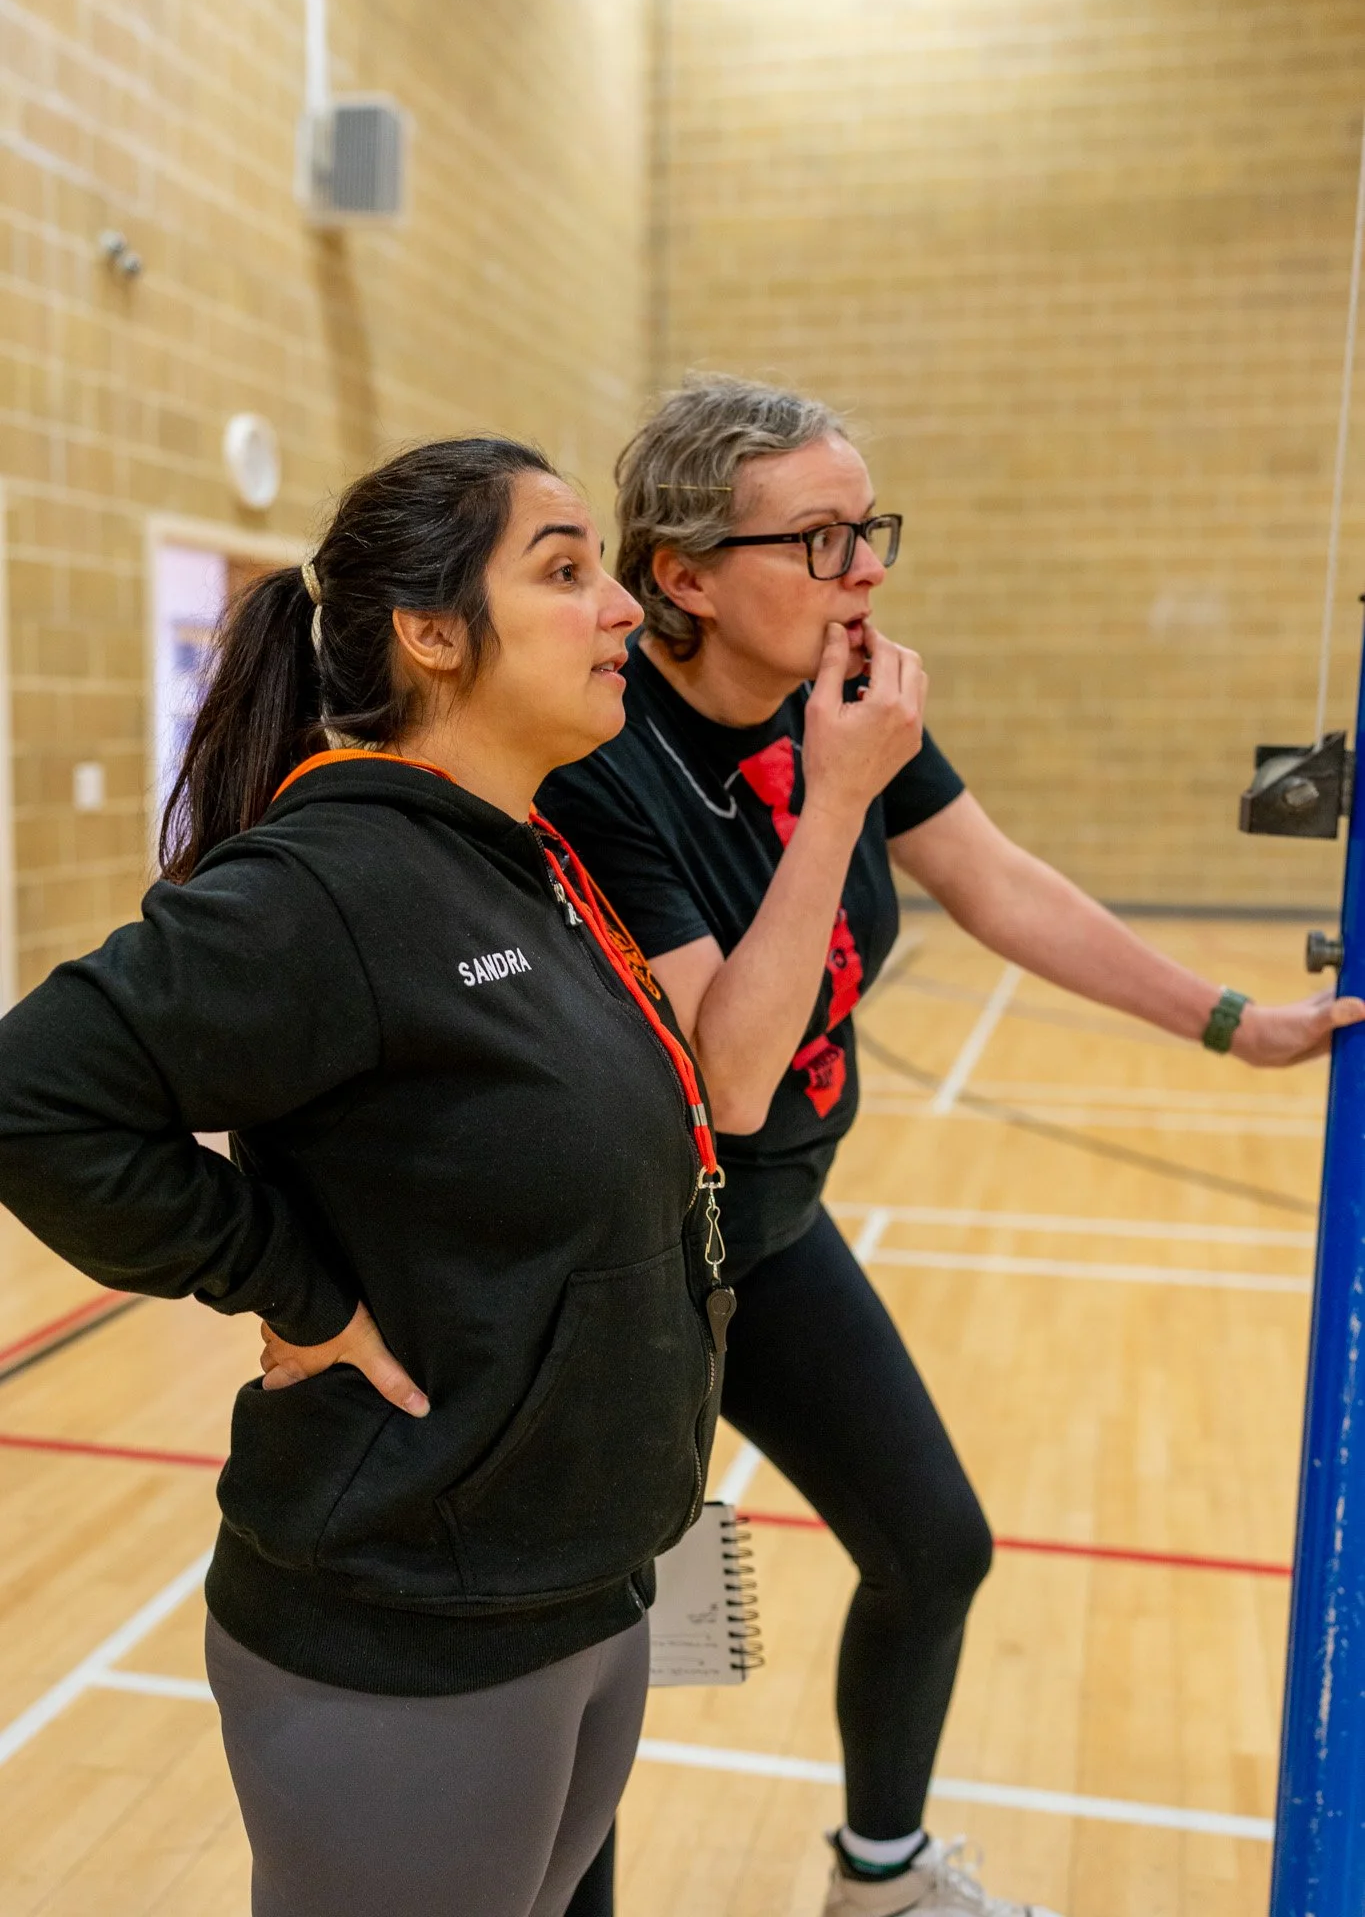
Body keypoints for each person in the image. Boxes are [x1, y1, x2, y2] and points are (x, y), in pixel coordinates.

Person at [539, 376, 1365, 1917]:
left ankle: (882, 1878)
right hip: (628, 1268)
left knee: (933, 1547)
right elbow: (733, 1068)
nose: (868, 574)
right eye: (823, 540)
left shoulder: (830, 703)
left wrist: (1227, 1019)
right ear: (685, 577)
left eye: (872, 530)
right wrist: (839, 800)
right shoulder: (606, 759)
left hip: (765, 1234)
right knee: (590, 1658)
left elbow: (997, 882)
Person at [0, 437, 734, 1917]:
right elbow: (33, 1094)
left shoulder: (522, 858)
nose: (620, 612)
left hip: (585, 1584)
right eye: (567, 570)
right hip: (408, 1621)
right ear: (432, 632)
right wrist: (294, 1286)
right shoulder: (334, 884)